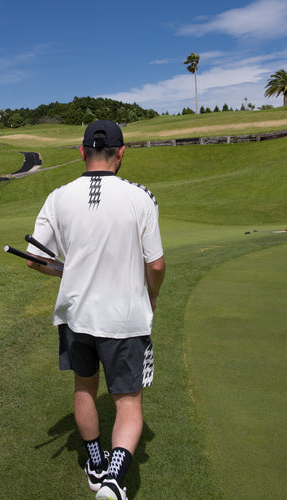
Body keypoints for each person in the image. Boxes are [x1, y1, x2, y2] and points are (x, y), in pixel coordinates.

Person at [26, 120, 165, 500]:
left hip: (76, 316)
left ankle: (95, 463)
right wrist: (151, 297)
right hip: (125, 316)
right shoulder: (141, 196)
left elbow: (35, 258)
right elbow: (155, 266)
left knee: (84, 387)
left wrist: (66, 271)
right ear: (121, 153)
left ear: (82, 152)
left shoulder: (58, 196)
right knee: (128, 401)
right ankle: (114, 479)